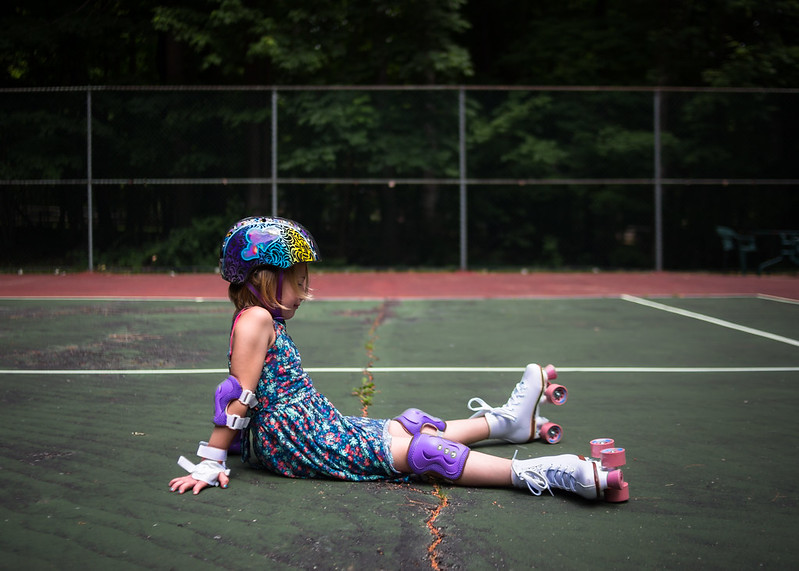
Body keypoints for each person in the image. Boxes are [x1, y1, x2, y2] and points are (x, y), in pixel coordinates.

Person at [169, 216, 628, 502]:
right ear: (263, 277)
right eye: (298, 277)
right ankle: (542, 473)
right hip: (297, 438)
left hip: (309, 423)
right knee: (426, 453)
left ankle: (507, 424)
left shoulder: (261, 316)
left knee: (408, 426)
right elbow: (239, 396)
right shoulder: (254, 320)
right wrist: (212, 460)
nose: (305, 289)